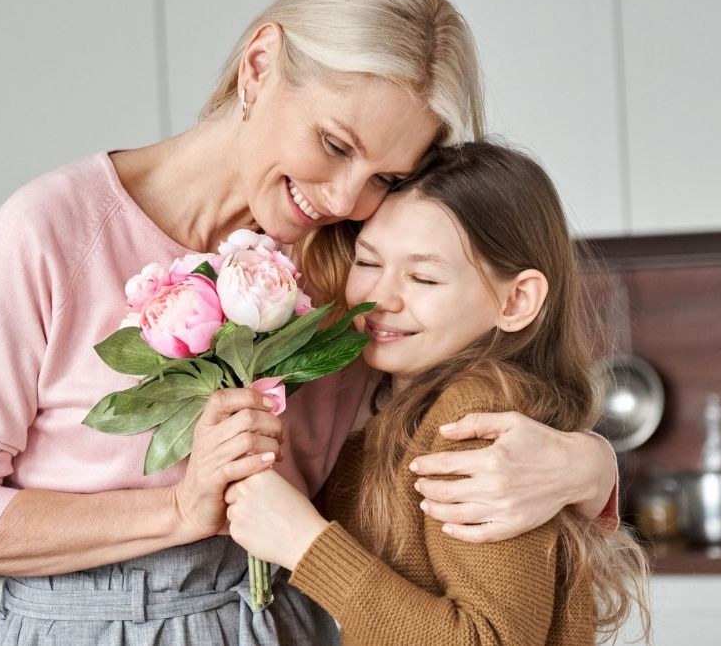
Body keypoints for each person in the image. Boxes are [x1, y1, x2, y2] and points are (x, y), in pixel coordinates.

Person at [0, 0, 618, 644]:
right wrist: (178, 511)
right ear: (260, 65)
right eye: (333, 144)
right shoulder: (51, 234)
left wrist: (592, 466)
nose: (342, 199)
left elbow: (442, 408)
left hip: (295, 617)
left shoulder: (354, 259)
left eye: (384, 177)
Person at [226, 141, 651, 645]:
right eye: (367, 262)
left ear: (516, 300)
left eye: (424, 277)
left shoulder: (471, 419)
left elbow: (489, 640)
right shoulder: (397, 399)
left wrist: (305, 544)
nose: (381, 298)